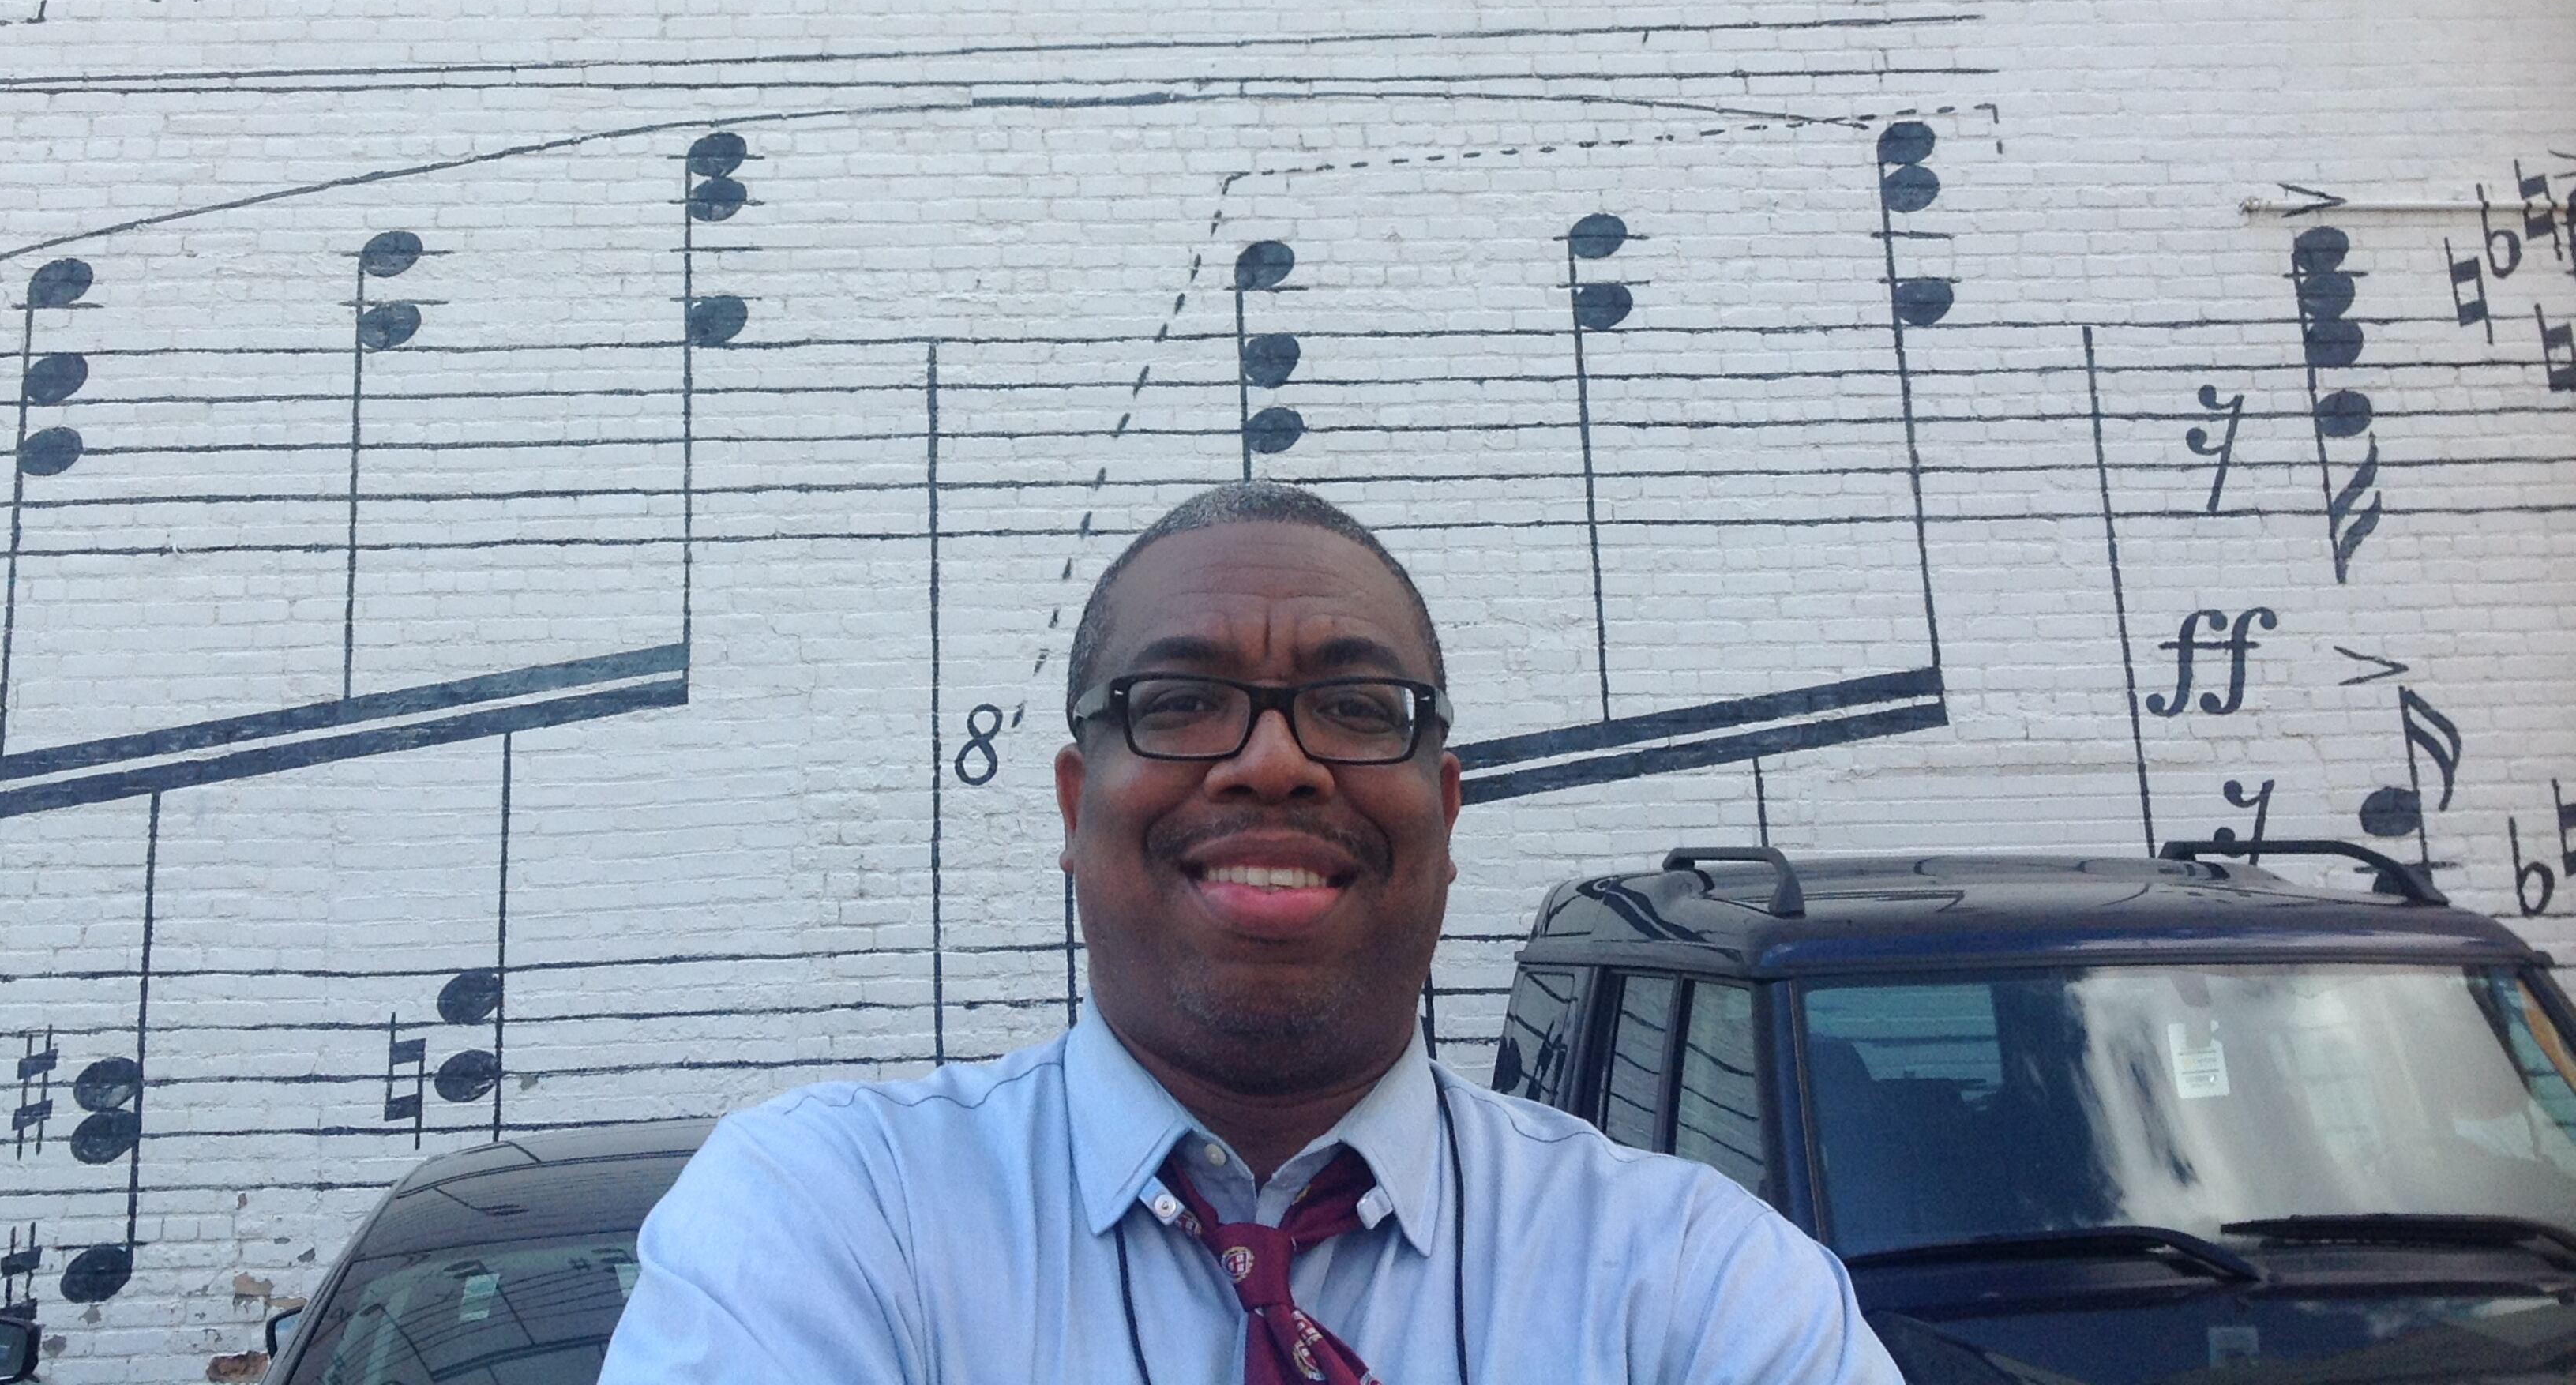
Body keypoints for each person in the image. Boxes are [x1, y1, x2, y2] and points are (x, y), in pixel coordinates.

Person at [599, 483, 1902, 1384]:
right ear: (1075, 804)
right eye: (1180, 702)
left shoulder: (1698, 1282)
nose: (1274, 763)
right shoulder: (827, 1219)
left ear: (1443, 811)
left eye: (1354, 704)